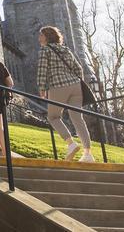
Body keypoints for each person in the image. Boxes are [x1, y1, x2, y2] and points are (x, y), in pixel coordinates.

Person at [37, 26, 94, 162]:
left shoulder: (45, 50)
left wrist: (42, 88)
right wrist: (75, 81)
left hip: (58, 85)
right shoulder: (66, 50)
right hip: (75, 86)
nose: (39, 38)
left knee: (53, 117)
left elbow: (42, 70)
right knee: (77, 118)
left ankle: (71, 144)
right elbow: (78, 68)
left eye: (41, 35)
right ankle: (88, 154)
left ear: (47, 36)